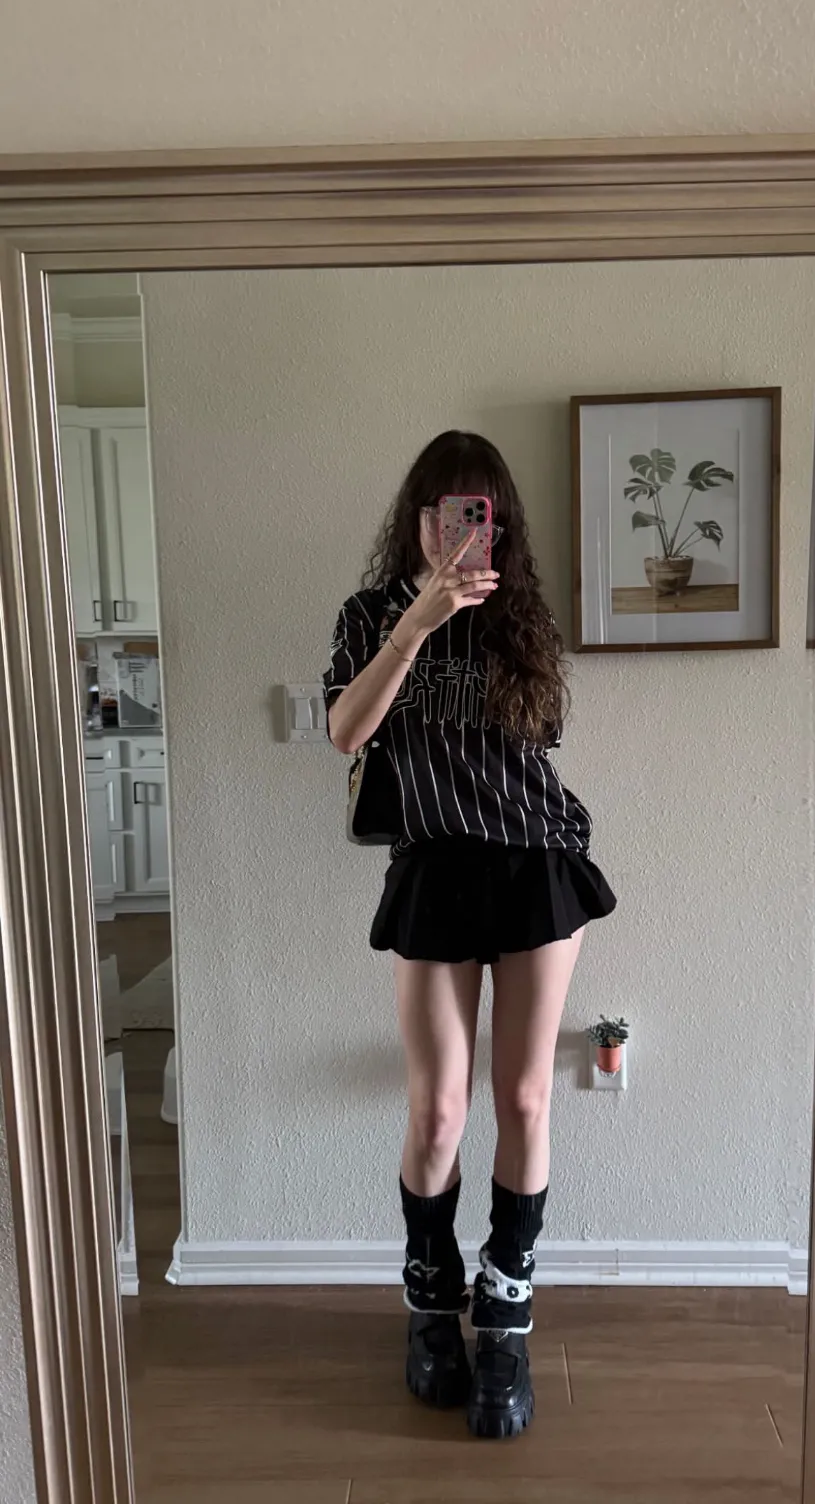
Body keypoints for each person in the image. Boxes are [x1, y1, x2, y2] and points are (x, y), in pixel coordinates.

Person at [324, 430, 615, 1440]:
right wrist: (418, 620)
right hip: (434, 867)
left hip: (534, 862)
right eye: (444, 510)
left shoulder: (521, 616)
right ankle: (430, 1298)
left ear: (498, 523)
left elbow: (536, 746)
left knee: (525, 1095)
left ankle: (506, 1315)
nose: (459, 530)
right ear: (418, 518)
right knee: (438, 1107)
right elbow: (346, 731)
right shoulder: (370, 615)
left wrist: (480, 618)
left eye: (477, 513)